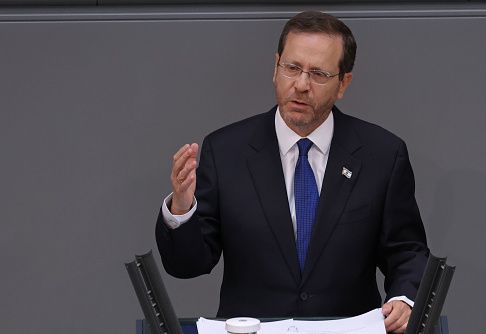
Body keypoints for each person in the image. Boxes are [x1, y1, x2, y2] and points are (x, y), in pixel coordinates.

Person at [155, 11, 429, 334]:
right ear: (275, 68)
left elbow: (407, 251)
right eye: (292, 68)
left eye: (318, 74)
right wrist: (182, 209)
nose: (301, 85)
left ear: (344, 83)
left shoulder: (382, 155)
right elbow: (187, 264)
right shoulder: (226, 151)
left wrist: (405, 298)